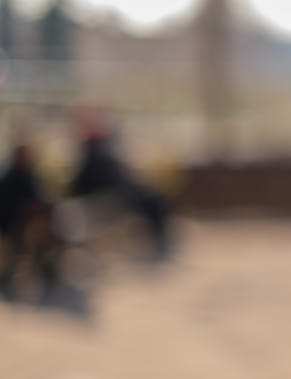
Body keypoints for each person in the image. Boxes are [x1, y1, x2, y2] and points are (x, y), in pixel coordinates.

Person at [70, 122, 171, 259]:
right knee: (152, 203)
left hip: (123, 192)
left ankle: (160, 240)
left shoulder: (105, 151)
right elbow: (88, 183)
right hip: (110, 196)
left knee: (155, 200)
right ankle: (160, 241)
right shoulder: (92, 154)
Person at [0, 142, 59, 299]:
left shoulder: (25, 173)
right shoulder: (12, 176)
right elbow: (15, 204)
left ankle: (45, 267)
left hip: (22, 222)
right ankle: (44, 268)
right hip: (11, 223)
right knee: (39, 232)